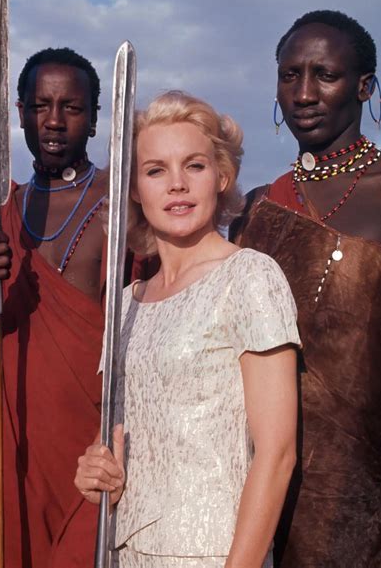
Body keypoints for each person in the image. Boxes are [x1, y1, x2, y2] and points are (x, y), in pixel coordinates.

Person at [231, 10, 381, 568]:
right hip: (255, 492)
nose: (304, 93)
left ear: (365, 87)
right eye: (290, 75)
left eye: (325, 75)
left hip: (365, 494)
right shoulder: (254, 210)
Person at [74, 91, 301, 567]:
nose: (176, 184)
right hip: (124, 554)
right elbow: (127, 440)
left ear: (222, 176)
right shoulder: (124, 304)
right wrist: (99, 472)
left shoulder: (250, 277)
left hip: (213, 554)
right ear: (135, 188)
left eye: (194, 165)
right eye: (156, 169)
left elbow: (277, 455)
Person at [0, 48, 110, 568]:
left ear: (93, 120)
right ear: (20, 113)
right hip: (14, 440)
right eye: (41, 105)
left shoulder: (123, 200)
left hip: (97, 445)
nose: (53, 120)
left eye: (71, 107)